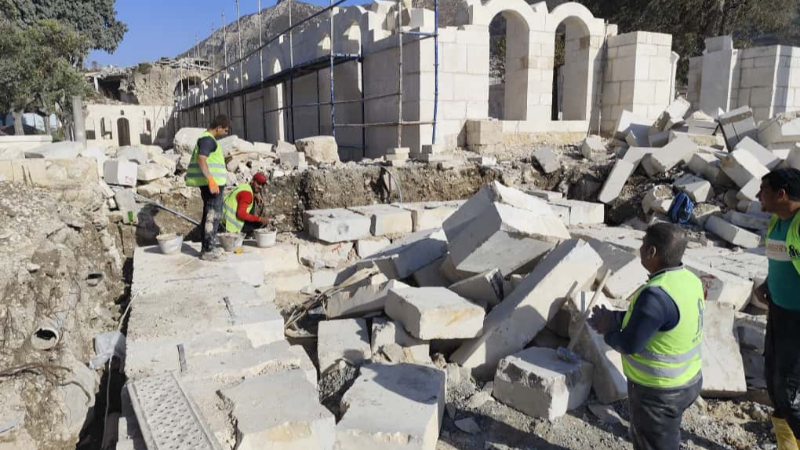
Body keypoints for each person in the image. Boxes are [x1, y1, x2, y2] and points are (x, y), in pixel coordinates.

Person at [588, 223, 704, 450]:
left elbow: (629, 344)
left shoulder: (655, 295)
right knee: (665, 437)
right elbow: (664, 321)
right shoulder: (690, 280)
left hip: (659, 392)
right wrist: (618, 318)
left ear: (651, 252)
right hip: (690, 380)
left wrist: (608, 330)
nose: (640, 247)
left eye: (643, 243)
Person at [754, 168, 800, 450]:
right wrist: (769, 284)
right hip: (779, 313)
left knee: (790, 391)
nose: (758, 195)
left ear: (781, 194)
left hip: (797, 320)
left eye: (764, 191)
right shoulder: (777, 221)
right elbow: (782, 260)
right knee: (774, 383)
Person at [185, 115, 230, 261]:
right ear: (218, 128)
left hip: (211, 184)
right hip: (212, 185)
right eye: (225, 130)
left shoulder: (207, 139)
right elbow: (202, 159)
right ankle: (208, 250)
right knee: (213, 214)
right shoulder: (208, 140)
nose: (226, 133)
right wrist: (211, 180)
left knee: (209, 214)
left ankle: (207, 246)